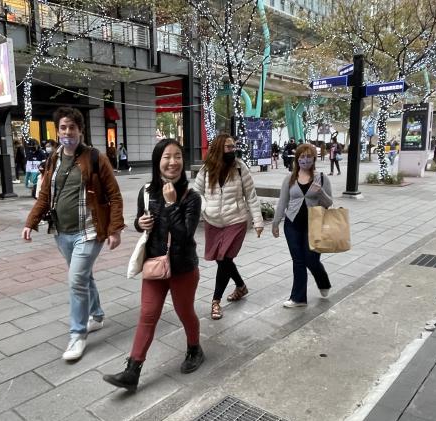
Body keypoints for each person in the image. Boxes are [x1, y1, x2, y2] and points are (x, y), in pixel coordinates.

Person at [22, 107, 124, 361]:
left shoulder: (94, 158)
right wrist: (30, 221)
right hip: (61, 232)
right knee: (83, 276)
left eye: (72, 128)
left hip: (90, 231)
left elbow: (114, 195)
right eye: (63, 128)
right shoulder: (54, 159)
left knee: (76, 280)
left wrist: (114, 229)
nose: (68, 132)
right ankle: (97, 315)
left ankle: (77, 335)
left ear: (81, 130)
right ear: (58, 131)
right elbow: (46, 195)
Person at [103, 139, 203, 391]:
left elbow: (185, 234)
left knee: (185, 312)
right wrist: (140, 223)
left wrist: (171, 205)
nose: (173, 162)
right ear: (158, 162)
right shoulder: (146, 192)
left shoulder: (192, 197)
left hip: (183, 267)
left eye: (178, 156)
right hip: (155, 265)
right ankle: (132, 371)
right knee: (147, 315)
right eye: (167, 156)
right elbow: (140, 222)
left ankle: (194, 349)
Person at [194, 134, 264, 320]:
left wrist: (257, 221)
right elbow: (196, 192)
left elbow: (251, 196)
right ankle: (241, 286)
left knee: (224, 258)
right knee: (222, 260)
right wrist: (205, 207)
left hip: (236, 220)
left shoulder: (241, 168)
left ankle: (215, 301)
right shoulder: (206, 170)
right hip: (213, 221)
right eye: (228, 147)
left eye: (233, 147)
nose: (232, 150)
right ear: (218, 148)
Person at [272, 143, 333, 308]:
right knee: (298, 261)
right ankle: (298, 298)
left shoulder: (321, 177)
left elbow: (329, 203)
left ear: (314, 158)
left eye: (308, 156)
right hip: (292, 225)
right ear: (297, 158)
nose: (305, 160)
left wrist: (320, 192)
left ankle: (323, 281)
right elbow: (283, 202)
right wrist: (275, 223)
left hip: (315, 225)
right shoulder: (290, 179)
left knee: (311, 260)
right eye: (302, 156)